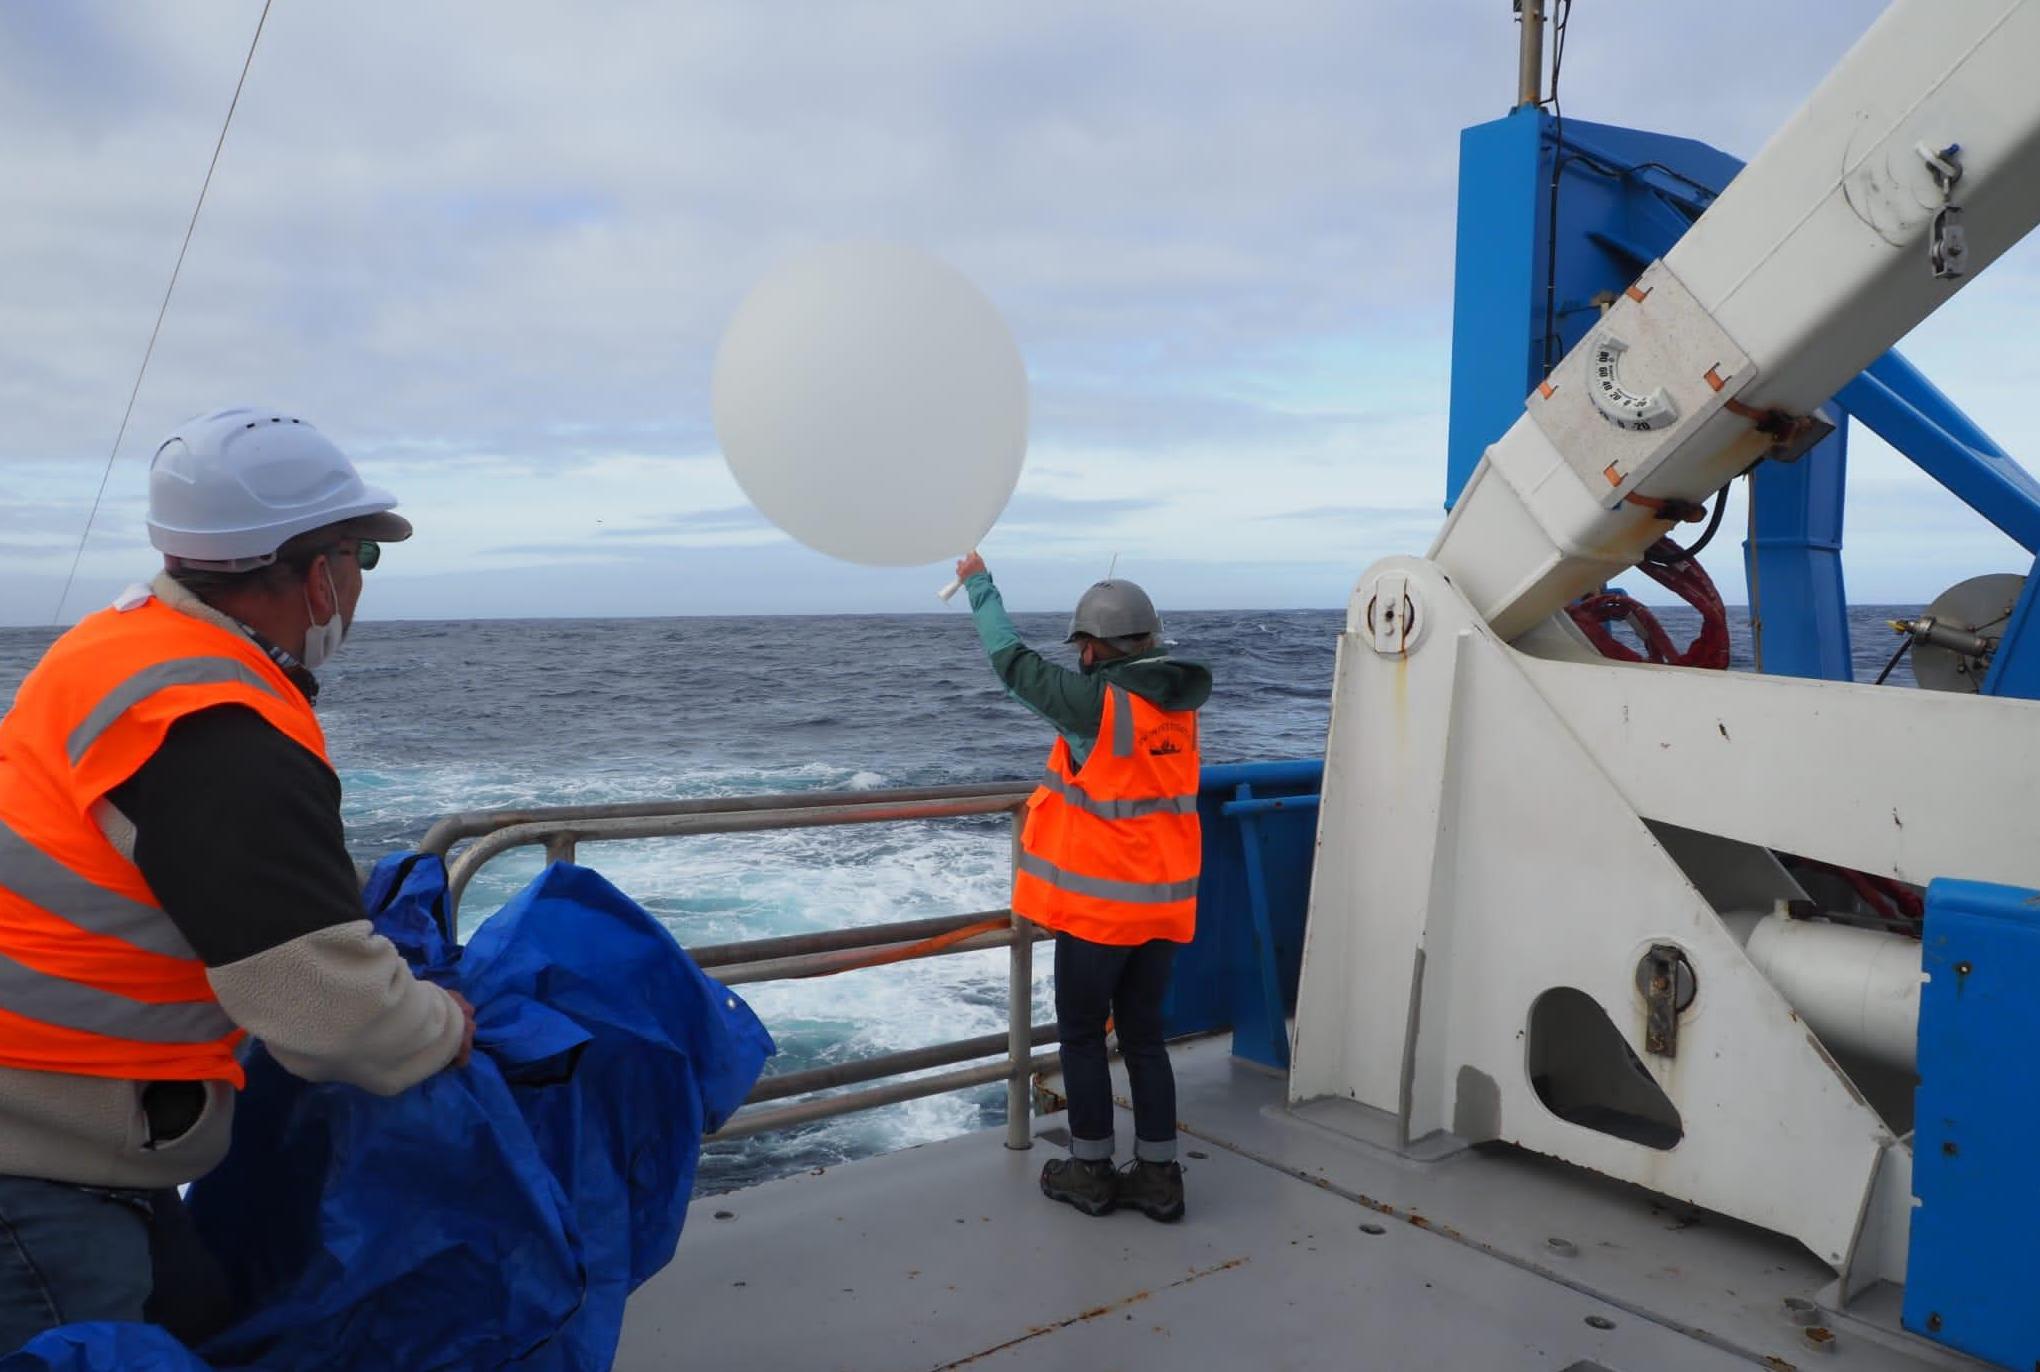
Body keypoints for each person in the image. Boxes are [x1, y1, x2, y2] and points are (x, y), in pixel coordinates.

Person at [0, 407, 475, 1353]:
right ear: (317, 573)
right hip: (35, 1171)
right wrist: (446, 1027)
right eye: (361, 560)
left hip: (83, 1144)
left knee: (210, 1326)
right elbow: (332, 1017)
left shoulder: (115, 648)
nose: (357, 586)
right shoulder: (215, 725)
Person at [954, 552, 1211, 1223]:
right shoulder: (1175, 704)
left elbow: (1011, 663)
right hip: (1164, 907)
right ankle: (1159, 1178)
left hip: (1102, 913)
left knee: (1080, 1038)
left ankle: (1090, 1170)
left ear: (1093, 649)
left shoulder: (1098, 704)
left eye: (1083, 647)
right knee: (1146, 1040)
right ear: (1151, 640)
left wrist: (979, 582)